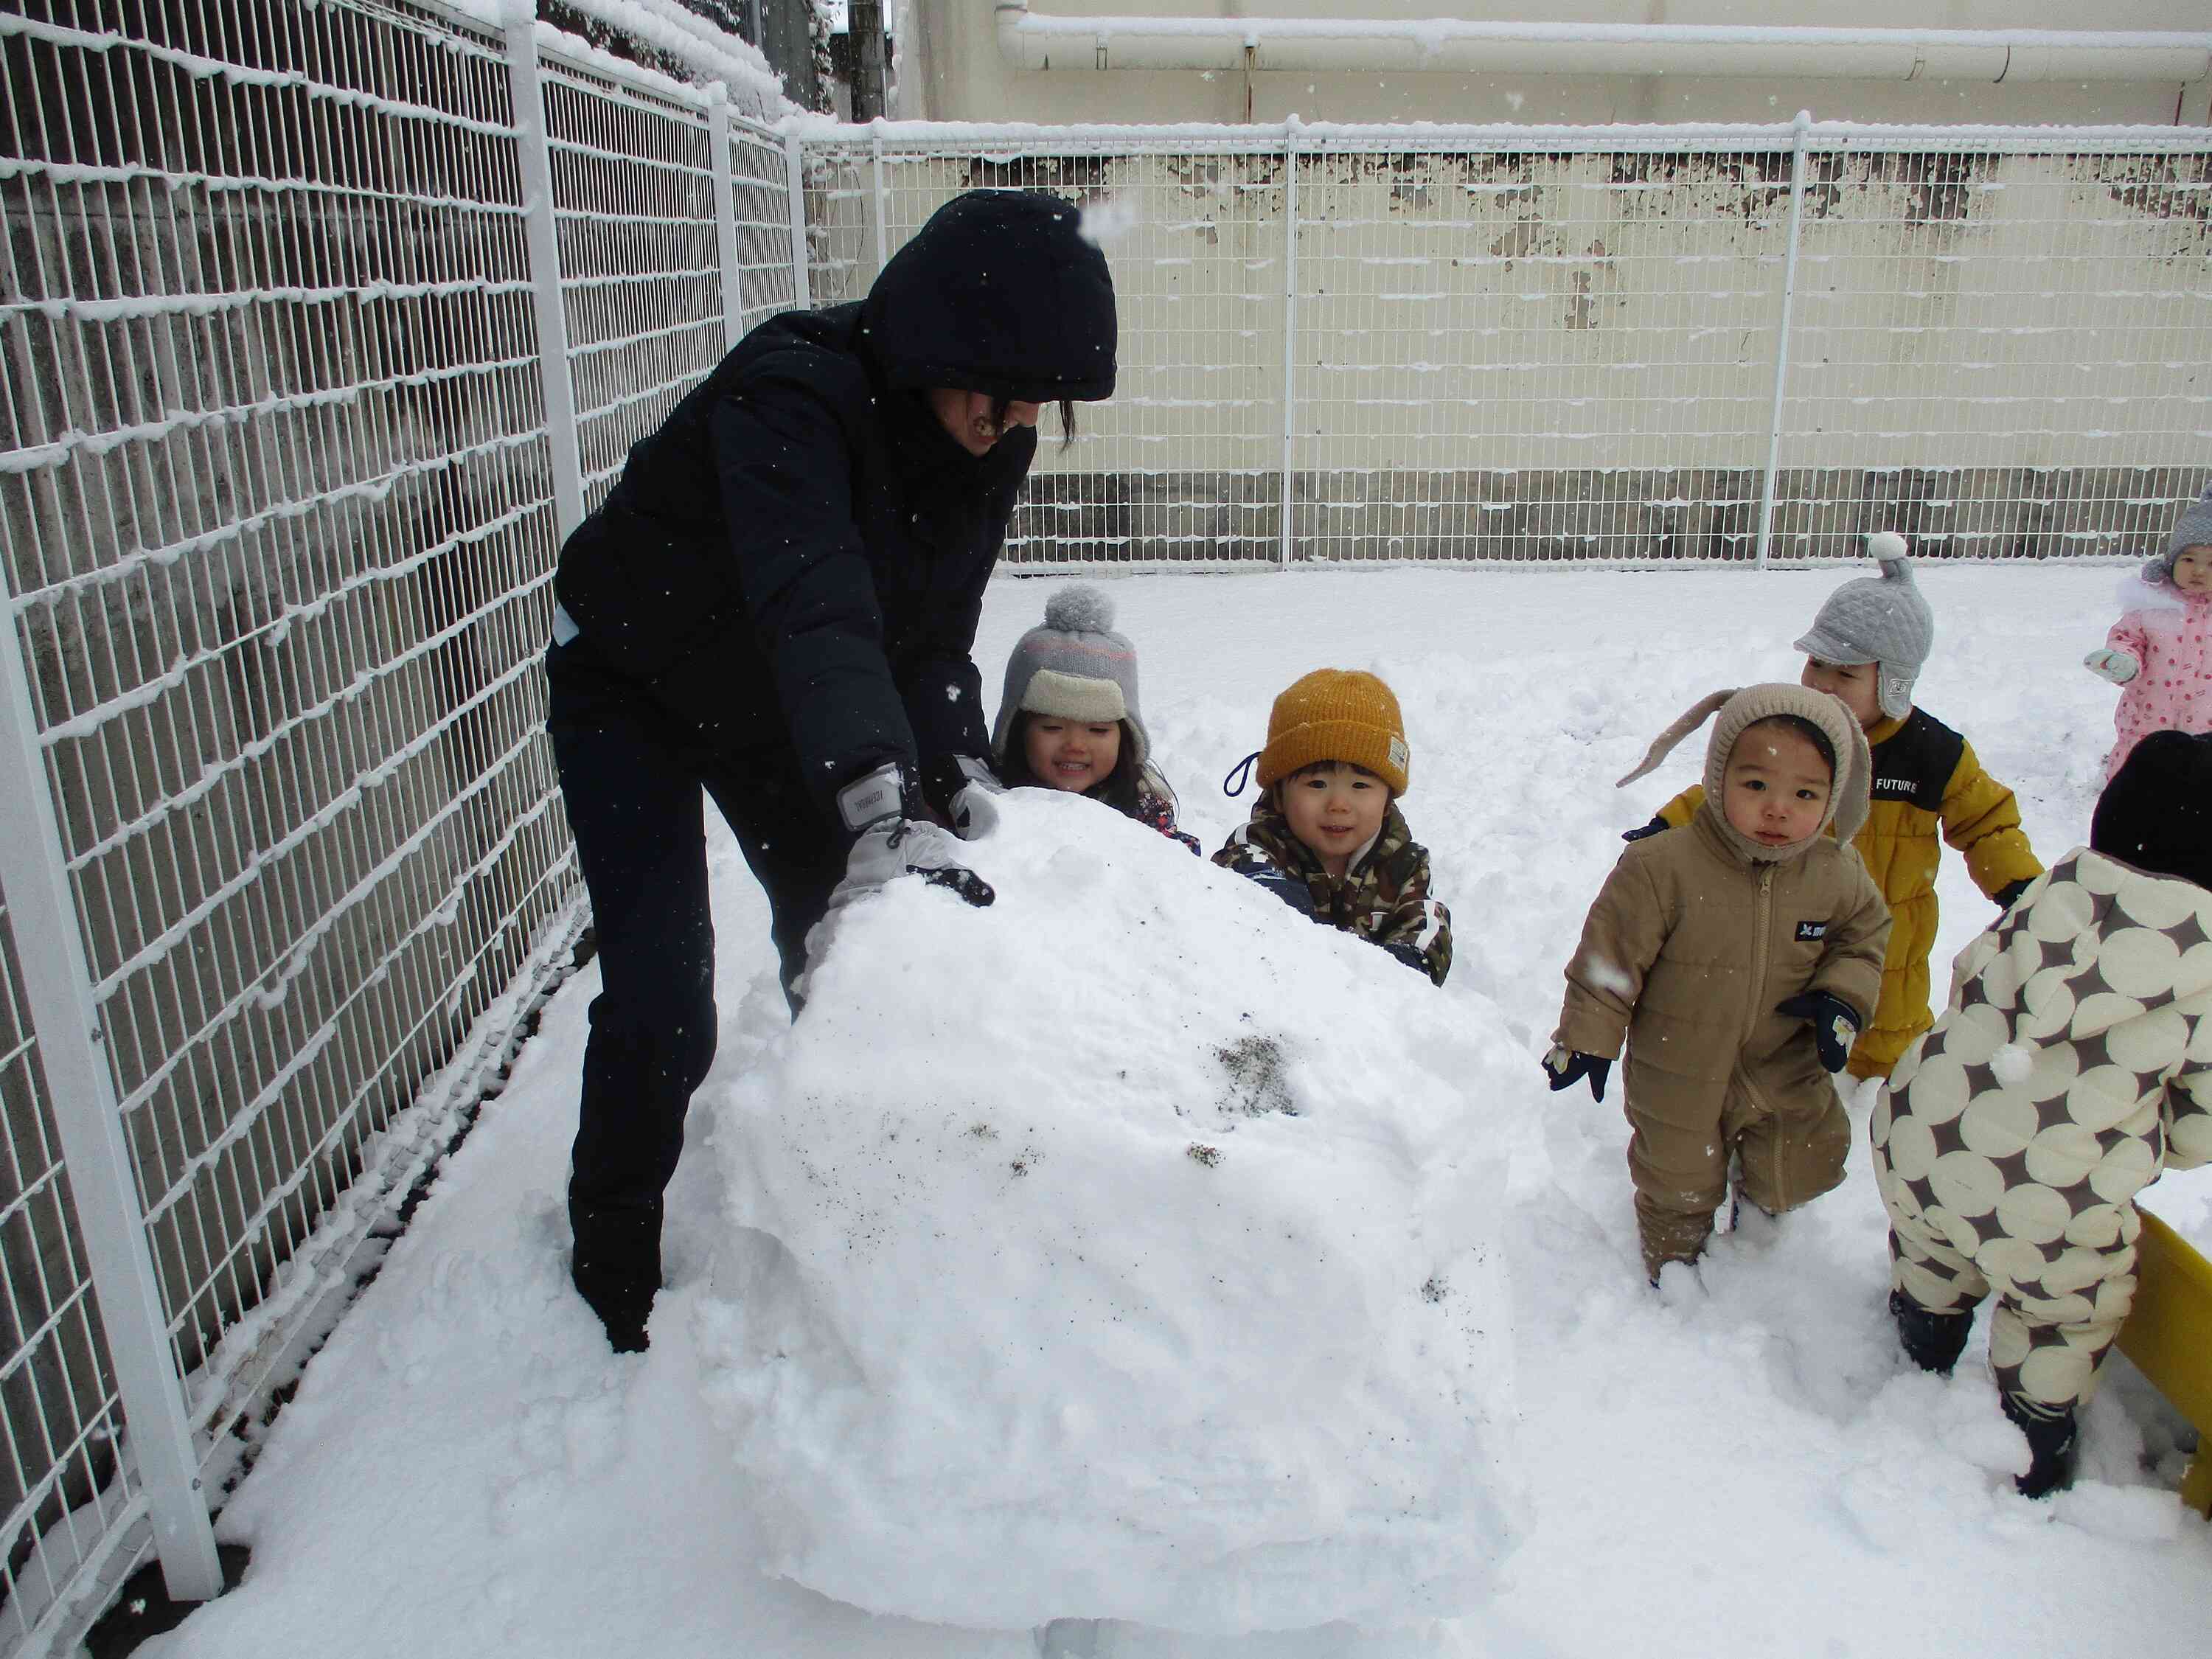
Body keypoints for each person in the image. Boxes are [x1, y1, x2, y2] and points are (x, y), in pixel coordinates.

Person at [544, 189, 1116, 1351]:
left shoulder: (982, 438)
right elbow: (818, 604)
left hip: (776, 694)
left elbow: (932, 630)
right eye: (1002, 398)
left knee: (848, 938)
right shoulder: (791, 395)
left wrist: (955, 761)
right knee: (664, 1002)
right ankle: (611, 1250)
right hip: (633, 675)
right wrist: (872, 787)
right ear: (933, 353)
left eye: (1036, 411)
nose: (1014, 427)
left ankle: (861, 1211)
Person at [1871, 730, 2212, 1498]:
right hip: (2047, 1203)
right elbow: (2201, 1122)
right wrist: (2142, 1145)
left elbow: (1967, 982)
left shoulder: (2048, 900)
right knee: (2066, 1309)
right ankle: (2035, 1436)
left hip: (1919, 1131)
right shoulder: (2207, 973)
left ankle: (1926, 1327)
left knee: (1936, 1236)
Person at [1629, 533, 2040, 1082]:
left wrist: (2020, 889)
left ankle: (1881, 1097)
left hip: (1889, 931)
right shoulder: (1796, 733)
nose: (1822, 683)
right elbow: (1732, 788)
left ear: (1892, 682)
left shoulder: (1934, 754)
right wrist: (1668, 826)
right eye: (1818, 664)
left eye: (1845, 674)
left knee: (1887, 1027)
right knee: (1780, 1007)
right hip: (1792, 914)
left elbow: (1987, 822)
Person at [1551, 684, 1891, 1283]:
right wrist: (1589, 1036)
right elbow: (1610, 958)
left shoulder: (1837, 874)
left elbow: (1862, 938)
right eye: (1756, 785)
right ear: (1717, 775)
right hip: (1678, 1064)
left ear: (1832, 796)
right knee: (1676, 1171)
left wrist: (1843, 997)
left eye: (1805, 793)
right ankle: (1675, 1269)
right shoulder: (1663, 866)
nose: (1778, 808)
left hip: (1784, 1058)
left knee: (1798, 1154)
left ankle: (1764, 1243)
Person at [1213, 669, 1451, 985]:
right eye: (1318, 783)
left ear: (1387, 800)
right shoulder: (1258, 845)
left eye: (1360, 785)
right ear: (1280, 795)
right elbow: (1251, 897)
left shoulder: (1404, 864)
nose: (1339, 803)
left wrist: (1397, 973)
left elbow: (1426, 931)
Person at [991, 585, 1199, 852]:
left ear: (1126, 737)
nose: (1076, 745)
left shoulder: (1144, 814)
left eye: (1098, 730)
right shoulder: (990, 806)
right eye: (1053, 727)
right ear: (1016, 731)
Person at [2084, 483, 2212, 780]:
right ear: (2172, 561)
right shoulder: (2151, 606)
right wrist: (2123, 663)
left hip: (2205, 726)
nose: (2199, 571)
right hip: (2147, 720)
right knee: (2137, 777)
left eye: (2211, 563)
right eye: (2189, 559)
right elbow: (2127, 640)